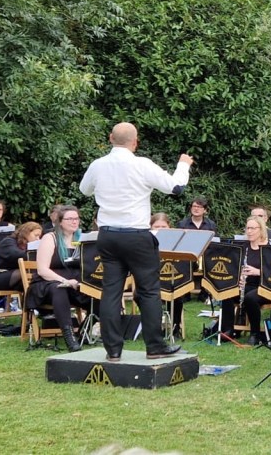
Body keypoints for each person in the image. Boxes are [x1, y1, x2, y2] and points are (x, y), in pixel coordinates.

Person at [79, 121, 192, 361]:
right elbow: (176, 187)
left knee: (111, 291)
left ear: (110, 138)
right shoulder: (142, 164)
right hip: (136, 235)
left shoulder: (98, 165)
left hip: (108, 234)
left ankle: (113, 350)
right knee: (149, 291)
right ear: (135, 142)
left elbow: (84, 190)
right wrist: (183, 164)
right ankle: (154, 346)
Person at [25, 206, 87, 352]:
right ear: (60, 221)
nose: (74, 222)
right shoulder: (50, 238)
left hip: (75, 283)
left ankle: (85, 331)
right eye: (69, 219)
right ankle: (69, 337)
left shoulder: (82, 239)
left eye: (76, 218)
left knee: (98, 290)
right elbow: (43, 270)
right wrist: (65, 281)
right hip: (48, 283)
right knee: (59, 289)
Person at [219, 216, 271, 345]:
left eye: (252, 228)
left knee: (250, 298)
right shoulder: (243, 247)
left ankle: (255, 334)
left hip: (266, 286)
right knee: (227, 292)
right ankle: (228, 330)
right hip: (247, 285)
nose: (249, 231)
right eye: (247, 228)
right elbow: (233, 267)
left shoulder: (270, 248)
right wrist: (238, 278)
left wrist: (258, 272)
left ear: (261, 229)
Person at [0, 221, 42, 291]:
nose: (38, 239)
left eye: (39, 237)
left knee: (36, 283)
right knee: (29, 273)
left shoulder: (27, 245)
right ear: (26, 233)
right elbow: (18, 255)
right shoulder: (8, 242)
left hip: (18, 278)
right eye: (36, 235)